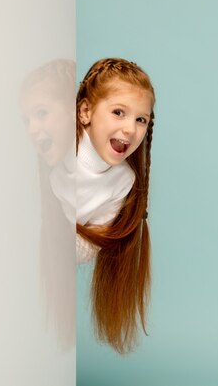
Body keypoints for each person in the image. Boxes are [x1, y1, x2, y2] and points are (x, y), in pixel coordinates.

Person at [50, 57, 155, 354]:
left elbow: (87, 245)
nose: (131, 129)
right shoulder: (59, 148)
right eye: (119, 112)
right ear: (85, 112)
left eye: (140, 119)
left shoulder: (123, 181)